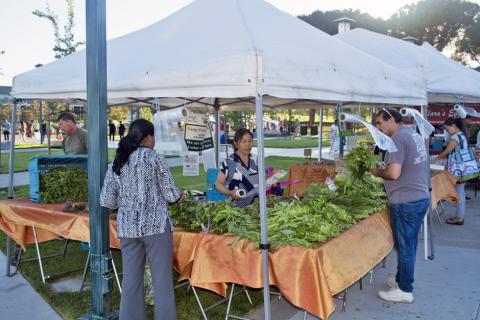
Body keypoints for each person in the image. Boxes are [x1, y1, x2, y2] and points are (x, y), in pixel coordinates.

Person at [100, 119, 183, 320]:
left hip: (128, 229)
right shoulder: (155, 159)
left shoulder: (118, 161)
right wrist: (181, 194)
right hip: (156, 228)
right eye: (154, 137)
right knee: (161, 282)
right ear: (148, 138)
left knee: (131, 282)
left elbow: (107, 201)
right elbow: (171, 195)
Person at [370, 108, 429, 304]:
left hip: (406, 201)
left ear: (392, 120)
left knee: (405, 247)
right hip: (418, 197)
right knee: (408, 244)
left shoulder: (396, 139)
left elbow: (394, 174)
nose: (378, 128)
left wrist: (377, 172)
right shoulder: (412, 133)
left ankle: (405, 290)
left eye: (380, 123)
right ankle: (400, 280)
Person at [431, 118, 474, 225]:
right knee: (460, 192)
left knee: (459, 192)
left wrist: (435, 159)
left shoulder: (456, 137)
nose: (447, 131)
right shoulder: (462, 135)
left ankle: (460, 218)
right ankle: (459, 215)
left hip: (458, 169)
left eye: (447, 129)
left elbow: (446, 151)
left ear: (454, 126)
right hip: (463, 167)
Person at [215, 128, 259, 208]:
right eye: (244, 141)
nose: (247, 145)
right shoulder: (229, 162)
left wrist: (271, 176)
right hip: (237, 209)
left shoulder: (256, 159)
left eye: (250, 141)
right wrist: (230, 192)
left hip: (256, 207)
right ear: (236, 143)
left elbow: (261, 179)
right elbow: (218, 184)